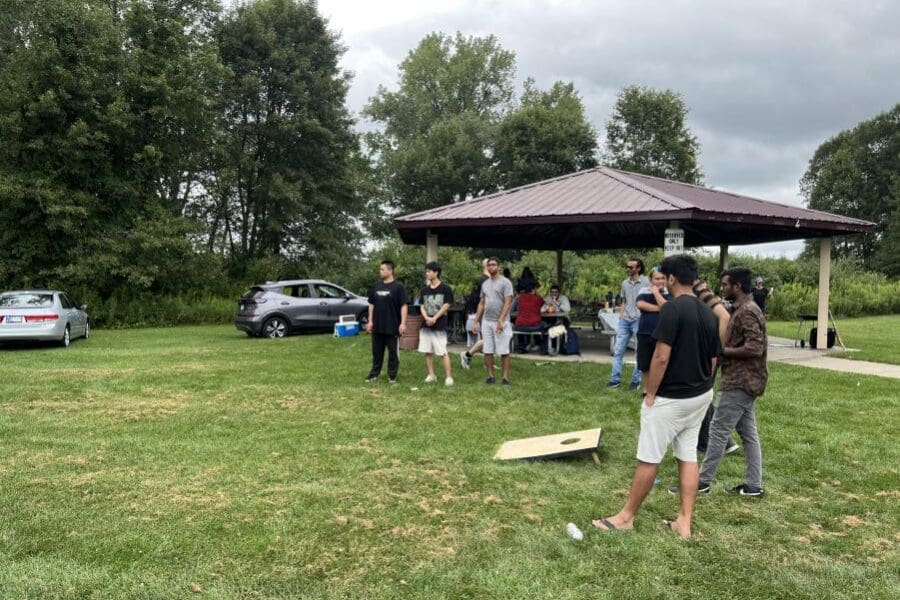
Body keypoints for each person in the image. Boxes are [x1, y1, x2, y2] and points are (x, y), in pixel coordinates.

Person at [592, 254, 721, 540]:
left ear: (671, 279)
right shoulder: (709, 313)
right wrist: (704, 386)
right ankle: (683, 522)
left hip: (670, 400)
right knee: (687, 455)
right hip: (700, 395)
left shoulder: (672, 310)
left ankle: (626, 517)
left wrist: (651, 393)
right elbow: (713, 360)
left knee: (649, 458)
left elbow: (661, 357)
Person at [671, 267, 769, 497]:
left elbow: (755, 348)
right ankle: (754, 485)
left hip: (741, 381)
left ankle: (702, 482)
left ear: (737, 286)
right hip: (743, 380)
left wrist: (723, 351)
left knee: (717, 430)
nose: (722, 288)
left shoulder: (748, 311)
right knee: (748, 433)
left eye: (725, 285)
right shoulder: (739, 309)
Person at [606, 256, 650, 391]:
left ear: (638, 268)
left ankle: (635, 381)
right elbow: (624, 301)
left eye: (631, 267)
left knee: (639, 352)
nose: (628, 269)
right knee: (618, 351)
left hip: (639, 320)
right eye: (627, 266)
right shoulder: (624, 283)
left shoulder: (647, 282)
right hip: (625, 320)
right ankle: (614, 380)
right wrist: (621, 315)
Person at [472, 257, 514, 385]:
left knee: (503, 350)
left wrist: (501, 320)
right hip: (487, 321)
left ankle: (505, 378)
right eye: (489, 265)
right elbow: (481, 303)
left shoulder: (506, 282)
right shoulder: (485, 284)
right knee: (487, 350)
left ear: (499, 267)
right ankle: (490, 376)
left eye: (494, 265)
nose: (491, 267)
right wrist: (476, 320)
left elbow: (508, 303)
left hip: (501, 321)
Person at [365, 261, 408, 383]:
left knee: (393, 353)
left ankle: (392, 376)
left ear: (390, 271)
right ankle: (374, 375)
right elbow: (371, 304)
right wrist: (370, 321)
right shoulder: (375, 286)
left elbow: (403, 306)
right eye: (380, 269)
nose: (380, 271)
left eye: (383, 269)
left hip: (393, 326)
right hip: (377, 326)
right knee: (377, 352)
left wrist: (403, 323)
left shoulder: (398, 287)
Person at [419, 261, 454, 386]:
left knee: (442, 351)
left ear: (436, 272)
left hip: (439, 325)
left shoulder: (445, 288)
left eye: (429, 271)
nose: (427, 273)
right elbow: (422, 306)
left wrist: (434, 318)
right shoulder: (424, 290)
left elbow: (447, 305)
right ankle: (431, 374)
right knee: (427, 351)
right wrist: (426, 317)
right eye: (426, 271)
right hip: (426, 324)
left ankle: (449, 377)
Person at [635, 268, 670, 391]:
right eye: (657, 278)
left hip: (664, 334)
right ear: (651, 280)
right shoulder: (643, 291)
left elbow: (668, 307)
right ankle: (646, 390)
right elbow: (640, 304)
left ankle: (660, 389)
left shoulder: (670, 292)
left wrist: (656, 293)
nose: (660, 281)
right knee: (645, 363)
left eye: (663, 278)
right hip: (645, 332)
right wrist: (661, 307)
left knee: (662, 361)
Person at [460, 260, 489, 370]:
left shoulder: (483, 279)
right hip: (482, 313)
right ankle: (467, 354)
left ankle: (487, 362)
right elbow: (481, 300)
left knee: (488, 339)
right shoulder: (484, 281)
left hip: (483, 312)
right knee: (488, 338)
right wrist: (477, 318)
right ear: (487, 266)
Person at [513, 283, 544, 353]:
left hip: (520, 327)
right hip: (534, 326)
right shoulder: (538, 298)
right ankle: (540, 345)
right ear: (533, 290)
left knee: (520, 323)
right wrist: (538, 294)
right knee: (545, 324)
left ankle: (521, 346)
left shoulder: (520, 298)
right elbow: (542, 303)